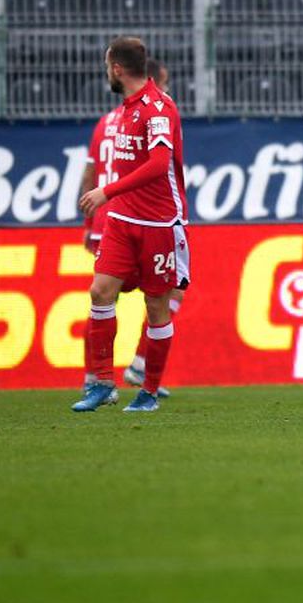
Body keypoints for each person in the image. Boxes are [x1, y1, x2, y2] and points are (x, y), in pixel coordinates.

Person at [73, 37, 190, 413]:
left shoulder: (158, 108)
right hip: (122, 221)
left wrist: (106, 192)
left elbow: (158, 165)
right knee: (100, 293)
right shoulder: (124, 110)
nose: (107, 72)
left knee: (157, 306)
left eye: (108, 66)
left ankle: (149, 392)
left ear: (117, 69)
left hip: (158, 224)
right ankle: (102, 382)